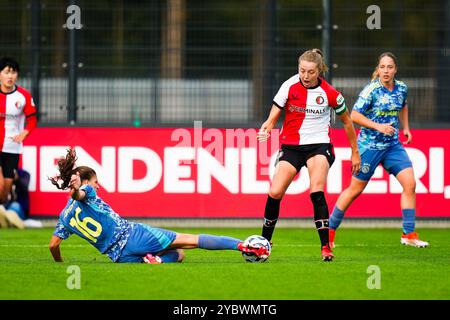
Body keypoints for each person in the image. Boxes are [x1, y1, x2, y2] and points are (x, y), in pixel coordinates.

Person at [49, 148, 269, 264]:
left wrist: (59, 263)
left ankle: (156, 260)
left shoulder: (64, 217)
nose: (99, 186)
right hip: (133, 235)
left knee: (179, 255)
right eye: (96, 181)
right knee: (190, 240)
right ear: (86, 182)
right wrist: (78, 189)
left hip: (119, 256)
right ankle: (243, 246)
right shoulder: (88, 191)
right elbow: (80, 195)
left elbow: (53, 245)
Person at [257, 49, 361, 261]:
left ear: (319, 71)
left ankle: (325, 247)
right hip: (292, 146)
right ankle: (264, 243)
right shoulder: (289, 85)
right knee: (275, 192)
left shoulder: (331, 93)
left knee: (316, 191)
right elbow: (276, 110)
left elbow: (347, 121)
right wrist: (267, 125)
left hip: (319, 146)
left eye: (310, 72)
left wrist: (355, 152)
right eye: (302, 70)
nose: (305, 75)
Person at [328, 52, 429, 248]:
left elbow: (404, 105)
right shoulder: (371, 90)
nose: (386, 71)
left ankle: (408, 235)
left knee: (410, 184)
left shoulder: (401, 88)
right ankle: (329, 231)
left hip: (392, 146)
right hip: (369, 147)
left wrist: (406, 128)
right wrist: (378, 126)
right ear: (378, 69)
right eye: (382, 67)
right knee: (355, 190)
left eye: (389, 67)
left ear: (395, 70)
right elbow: (354, 115)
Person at [0, 57, 37, 204]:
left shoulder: (24, 96)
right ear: (0, 74)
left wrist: (24, 133)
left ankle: (9, 198)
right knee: (0, 185)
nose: (10, 76)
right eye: (6, 72)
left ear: (17, 75)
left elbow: (33, 119)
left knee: (4, 193)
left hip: (12, 147)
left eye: (13, 72)